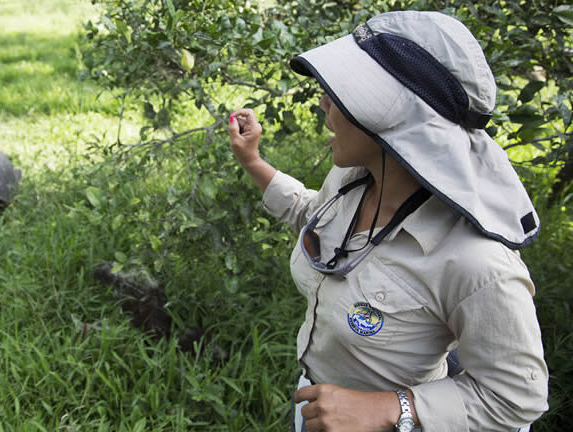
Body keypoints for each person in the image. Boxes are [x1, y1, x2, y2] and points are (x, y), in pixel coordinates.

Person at [227, 11, 548, 432]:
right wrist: (252, 162)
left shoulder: (476, 263)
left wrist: (389, 409)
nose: (324, 101)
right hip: (316, 404)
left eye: (343, 94)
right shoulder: (354, 180)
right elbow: (316, 218)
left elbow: (516, 398)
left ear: (396, 121)